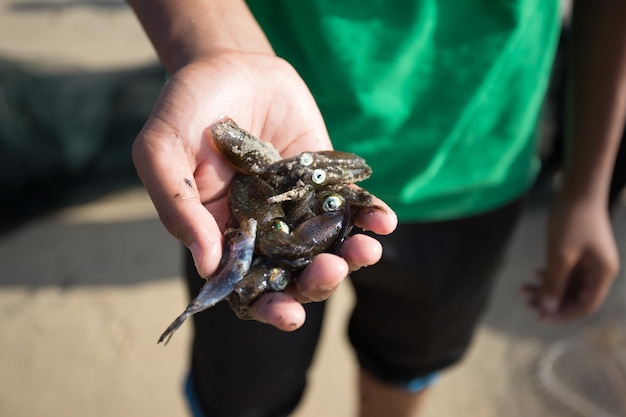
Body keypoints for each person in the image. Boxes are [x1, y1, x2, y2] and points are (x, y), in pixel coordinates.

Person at [127, 1, 626, 416]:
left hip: (476, 169)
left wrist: (587, 191)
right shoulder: (261, 189)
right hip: (272, 105)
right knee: (244, 386)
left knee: (406, 362)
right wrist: (214, 47)